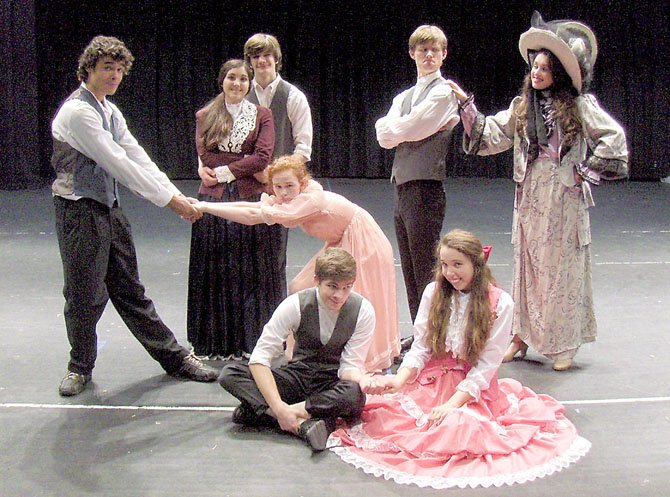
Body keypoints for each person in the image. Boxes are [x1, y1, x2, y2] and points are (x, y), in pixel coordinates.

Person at [329, 230, 591, 489]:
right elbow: (421, 347)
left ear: (476, 264)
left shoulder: (501, 304)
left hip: (470, 390)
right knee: (378, 411)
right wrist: (400, 379)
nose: (450, 272)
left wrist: (452, 404)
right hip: (430, 382)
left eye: (457, 264)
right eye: (444, 264)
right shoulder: (434, 293)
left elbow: (486, 367)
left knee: (457, 426)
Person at [448, 12, 628, 370]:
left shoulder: (578, 106)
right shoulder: (522, 108)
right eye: (535, 66)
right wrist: (467, 108)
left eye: (545, 68)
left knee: (560, 269)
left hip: (562, 197)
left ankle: (563, 345)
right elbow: (491, 135)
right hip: (529, 194)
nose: (537, 73)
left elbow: (614, 139)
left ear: (558, 73)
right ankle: (522, 336)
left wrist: (586, 171)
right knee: (528, 266)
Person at [51, 35, 218, 396]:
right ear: (89, 69)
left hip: (107, 209)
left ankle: (175, 359)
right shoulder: (78, 112)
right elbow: (119, 164)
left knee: (130, 289)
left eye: (119, 69)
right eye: (106, 68)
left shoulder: (109, 110)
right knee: (83, 294)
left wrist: (173, 192)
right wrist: (170, 203)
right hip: (78, 211)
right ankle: (79, 367)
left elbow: (137, 155)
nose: (114, 75)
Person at [194, 154, 400, 371]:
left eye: (289, 186)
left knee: (352, 296)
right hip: (340, 240)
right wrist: (204, 205)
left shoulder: (308, 201)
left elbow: (254, 217)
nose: (283, 193)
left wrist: (206, 208)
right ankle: (306, 353)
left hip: (363, 240)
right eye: (278, 186)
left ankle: (355, 362)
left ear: (301, 184)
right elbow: (255, 209)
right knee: (300, 287)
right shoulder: (291, 199)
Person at [219, 248, 376, 451]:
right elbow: (260, 358)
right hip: (298, 375)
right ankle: (305, 423)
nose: (340, 295)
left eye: (347, 288)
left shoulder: (363, 311)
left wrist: (363, 379)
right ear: (316, 280)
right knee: (230, 374)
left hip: (331, 381)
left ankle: (268, 414)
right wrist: (277, 407)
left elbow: (349, 367)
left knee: (354, 394)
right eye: (333, 286)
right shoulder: (294, 305)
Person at [187, 59, 282, 360]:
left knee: (249, 268)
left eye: (243, 79)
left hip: (249, 197)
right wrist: (240, 160)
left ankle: (251, 339)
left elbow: (263, 156)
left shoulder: (262, 115)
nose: (238, 84)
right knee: (217, 267)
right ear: (222, 81)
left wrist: (228, 170)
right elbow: (206, 154)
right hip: (213, 198)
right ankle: (216, 341)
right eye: (232, 78)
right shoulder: (205, 114)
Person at [375, 25, 460, 352]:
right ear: (412, 53)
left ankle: (436, 336)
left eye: (434, 50)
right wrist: (397, 129)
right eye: (422, 50)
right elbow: (384, 136)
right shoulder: (403, 97)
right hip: (403, 188)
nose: (428, 55)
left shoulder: (443, 93)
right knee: (410, 267)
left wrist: (396, 129)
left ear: (443, 54)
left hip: (425, 187)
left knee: (426, 266)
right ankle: (422, 332)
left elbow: (410, 127)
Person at [244, 33, 314, 308]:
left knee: (273, 256)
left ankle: (274, 319)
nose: (262, 61)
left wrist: (278, 178)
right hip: (245, 183)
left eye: (267, 55)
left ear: (276, 60)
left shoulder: (292, 96)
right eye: (256, 56)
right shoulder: (240, 94)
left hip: (278, 189)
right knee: (243, 255)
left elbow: (303, 145)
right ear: (250, 62)